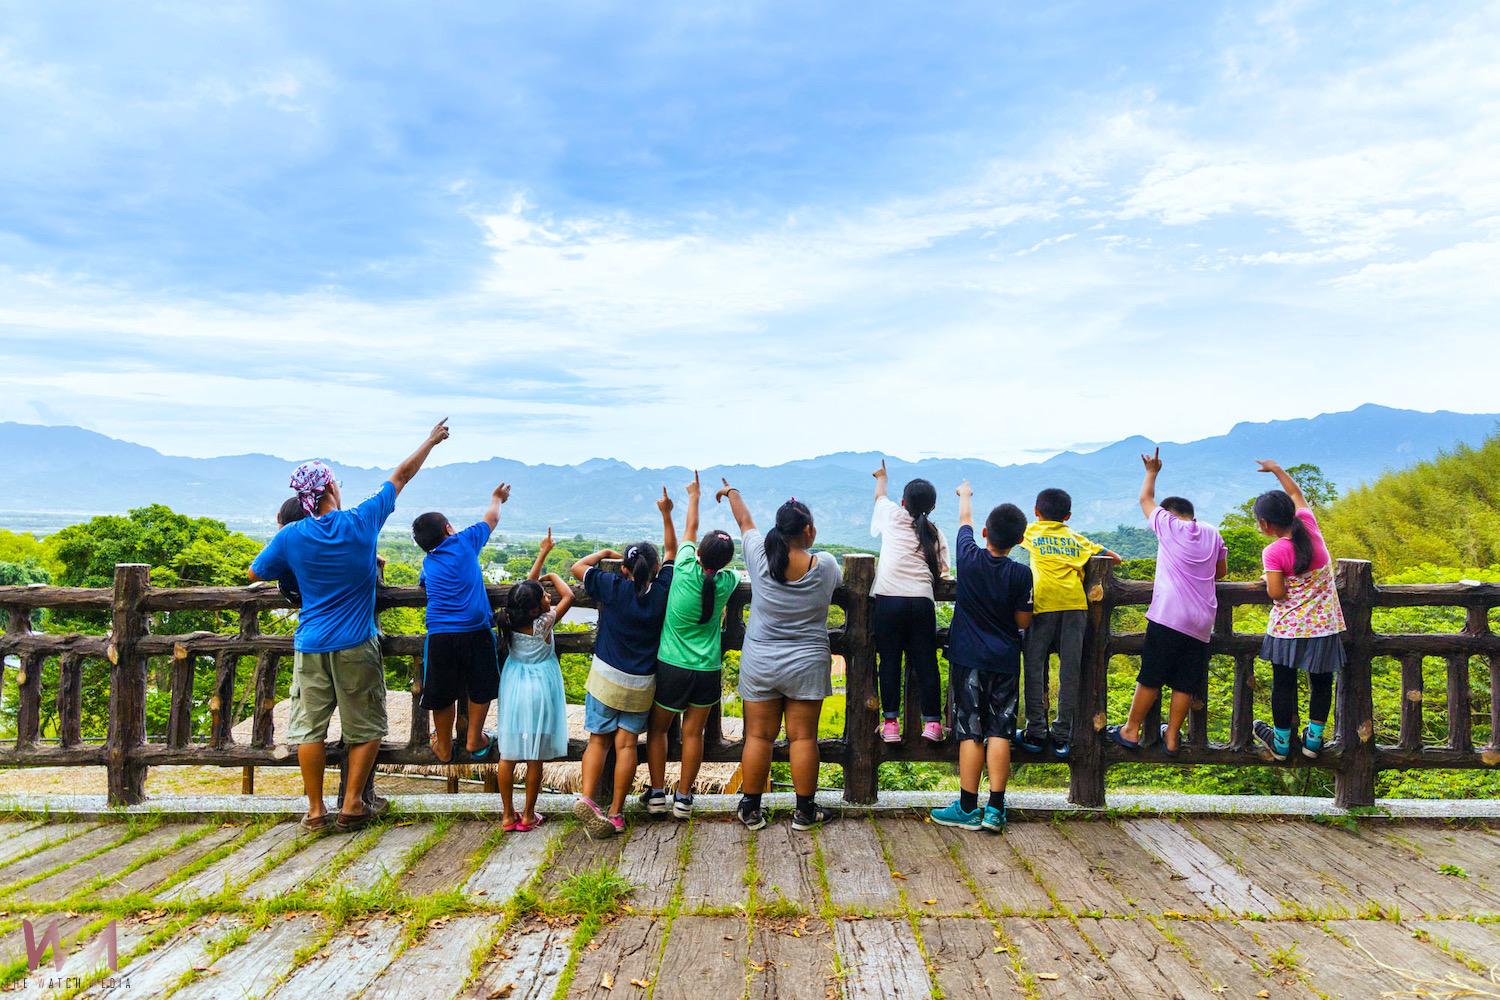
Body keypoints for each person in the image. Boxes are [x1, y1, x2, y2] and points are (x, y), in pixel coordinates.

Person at [248, 418, 450, 833]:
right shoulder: (360, 521)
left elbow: (256, 572)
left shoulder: (292, 536)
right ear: (331, 490)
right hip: (357, 642)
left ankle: (316, 809)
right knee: (367, 726)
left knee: (309, 729)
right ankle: (354, 803)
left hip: (311, 643)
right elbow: (401, 476)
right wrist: (430, 440)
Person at [719, 480, 841, 832]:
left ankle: (751, 809)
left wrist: (732, 493)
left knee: (758, 737)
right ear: (807, 529)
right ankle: (804, 812)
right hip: (807, 663)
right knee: (804, 738)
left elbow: (745, 522)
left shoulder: (759, 557)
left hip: (761, 662)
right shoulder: (827, 565)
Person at [1107, 448, 1227, 755]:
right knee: (1185, 681)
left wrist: (1152, 471)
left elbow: (1145, 501)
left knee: (1152, 675)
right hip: (1202, 621)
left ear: (1170, 515)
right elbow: (1220, 571)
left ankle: (1131, 730)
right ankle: (1173, 737)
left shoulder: (1169, 525)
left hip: (1169, 615)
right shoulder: (1213, 533)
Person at [570, 494, 677, 839]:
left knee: (597, 741)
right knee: (627, 745)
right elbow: (673, 550)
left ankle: (588, 799)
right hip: (641, 683)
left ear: (625, 569)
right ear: (656, 569)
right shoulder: (662, 590)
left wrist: (602, 555)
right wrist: (666, 514)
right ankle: (616, 813)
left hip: (605, 677)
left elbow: (576, 568)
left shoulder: (612, 585)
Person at [929, 482, 1032, 833]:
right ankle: (995, 809)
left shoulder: (968, 557)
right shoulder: (1021, 573)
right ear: (1020, 541)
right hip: (1004, 658)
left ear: (986, 532)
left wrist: (965, 496)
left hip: (968, 657)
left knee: (970, 729)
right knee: (1000, 729)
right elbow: (1023, 620)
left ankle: (968, 807)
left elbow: (964, 522)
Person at [643, 471, 737, 821]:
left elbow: (688, 531)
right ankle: (683, 797)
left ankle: (656, 793)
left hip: (672, 666)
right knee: (693, 733)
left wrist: (693, 496)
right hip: (707, 670)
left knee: (658, 729)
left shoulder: (683, 568)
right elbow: (701, 546)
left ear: (697, 554)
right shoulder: (727, 582)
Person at [1251, 459, 1347, 761]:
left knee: (1284, 684)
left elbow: (1277, 593)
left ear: (1266, 524)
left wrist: (1268, 579)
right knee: (1321, 683)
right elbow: (1297, 494)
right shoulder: (1309, 526)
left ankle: (1280, 744)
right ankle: (1313, 742)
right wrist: (1278, 470)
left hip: (1288, 629)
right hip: (1324, 627)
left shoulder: (1275, 551)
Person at [410, 482, 511, 765]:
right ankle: (474, 737)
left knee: (441, 693)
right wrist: (496, 498)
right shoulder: (464, 542)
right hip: (477, 630)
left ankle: (443, 746)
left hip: (441, 635)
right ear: (449, 529)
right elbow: (491, 518)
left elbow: (425, 584)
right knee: (481, 685)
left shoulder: (428, 563)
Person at [1019, 488, 1121, 759]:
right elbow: (1115, 558)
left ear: (1036, 511)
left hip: (1042, 606)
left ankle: (1036, 732)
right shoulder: (1076, 538)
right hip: (1075, 606)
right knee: (1070, 671)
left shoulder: (1030, 532)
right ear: (1068, 516)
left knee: (1032, 666)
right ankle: (1062, 735)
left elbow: (1002, 533)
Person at [496, 528, 574, 831]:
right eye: (543, 596)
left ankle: (506, 815)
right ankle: (528, 814)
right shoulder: (544, 622)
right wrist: (552, 574)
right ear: (535, 607)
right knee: (533, 758)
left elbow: (525, 590)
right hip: (540, 686)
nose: (548, 596)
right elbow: (569, 594)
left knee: (509, 752)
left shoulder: (512, 618)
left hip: (514, 685)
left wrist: (542, 553)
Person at [870, 461, 950, 743]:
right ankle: (933, 725)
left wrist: (882, 477)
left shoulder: (891, 515)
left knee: (889, 660)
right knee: (926, 662)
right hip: (921, 602)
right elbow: (942, 571)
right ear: (934, 507)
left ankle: (891, 724)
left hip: (888, 600)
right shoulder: (935, 533)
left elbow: (880, 496)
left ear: (903, 502)